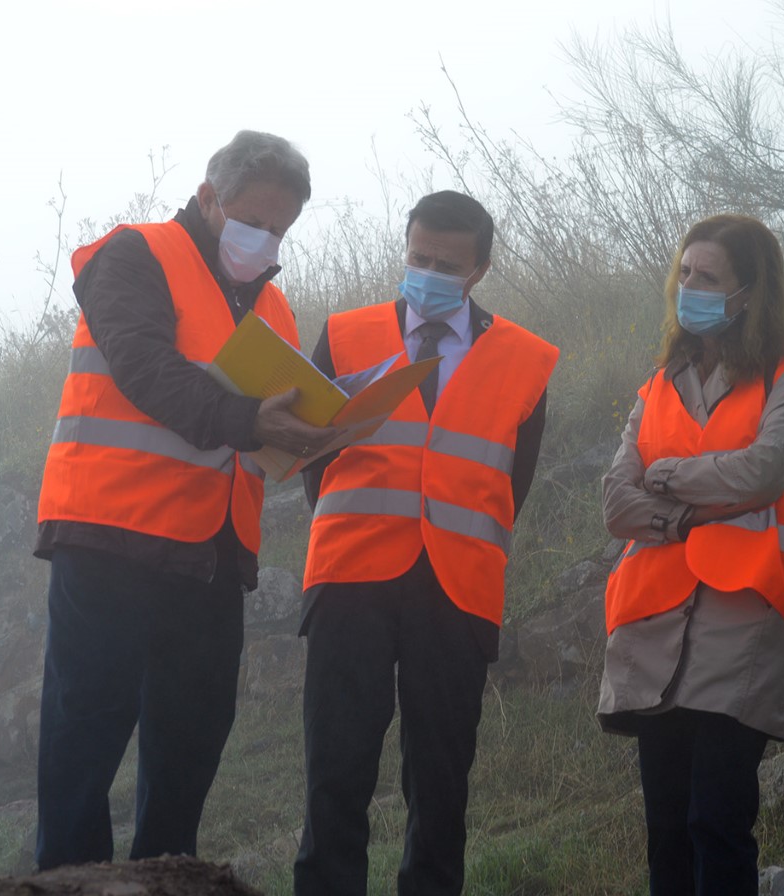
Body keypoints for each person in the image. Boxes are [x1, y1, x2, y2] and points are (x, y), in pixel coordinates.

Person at [33, 130, 330, 869]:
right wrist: (246, 420)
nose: (265, 239)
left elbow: (268, 429)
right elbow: (144, 367)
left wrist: (317, 434)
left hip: (214, 555)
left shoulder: (277, 310)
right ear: (207, 198)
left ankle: (165, 879)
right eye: (254, 218)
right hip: (109, 538)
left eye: (281, 229)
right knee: (85, 735)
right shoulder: (134, 254)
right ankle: (72, 884)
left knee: (194, 736)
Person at [293, 190, 559, 896]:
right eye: (418, 258)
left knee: (440, 778)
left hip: (458, 587)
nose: (430, 271)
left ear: (480, 270)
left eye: (448, 263)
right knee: (335, 767)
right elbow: (313, 456)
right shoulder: (344, 334)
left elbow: (513, 482)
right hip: (350, 577)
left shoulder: (526, 359)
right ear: (404, 250)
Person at [598, 214, 784, 896]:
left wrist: (664, 478)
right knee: (666, 829)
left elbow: (763, 470)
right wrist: (700, 505)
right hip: (653, 621)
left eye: (708, 277)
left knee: (717, 822)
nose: (689, 287)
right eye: (685, 274)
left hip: (742, 618)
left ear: (750, 292)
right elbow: (615, 502)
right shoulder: (658, 383)